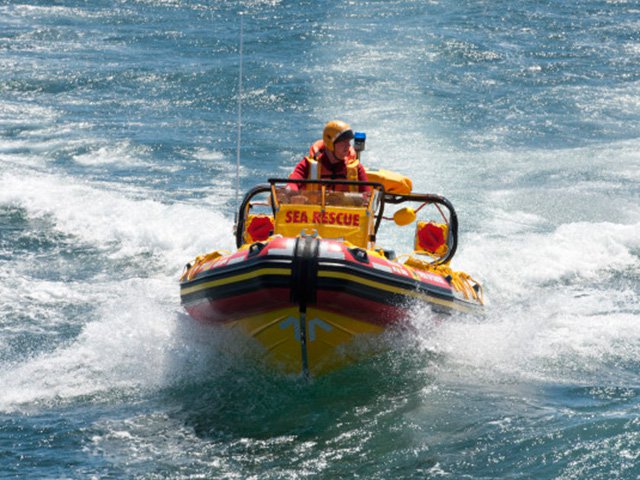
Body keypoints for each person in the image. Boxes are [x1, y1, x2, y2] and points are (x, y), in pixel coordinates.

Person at [288, 120, 370, 192]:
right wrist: (293, 194)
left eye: (348, 141)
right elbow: (291, 186)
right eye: (343, 142)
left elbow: (367, 195)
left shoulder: (357, 168)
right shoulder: (307, 165)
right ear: (330, 144)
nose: (348, 145)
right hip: (313, 209)